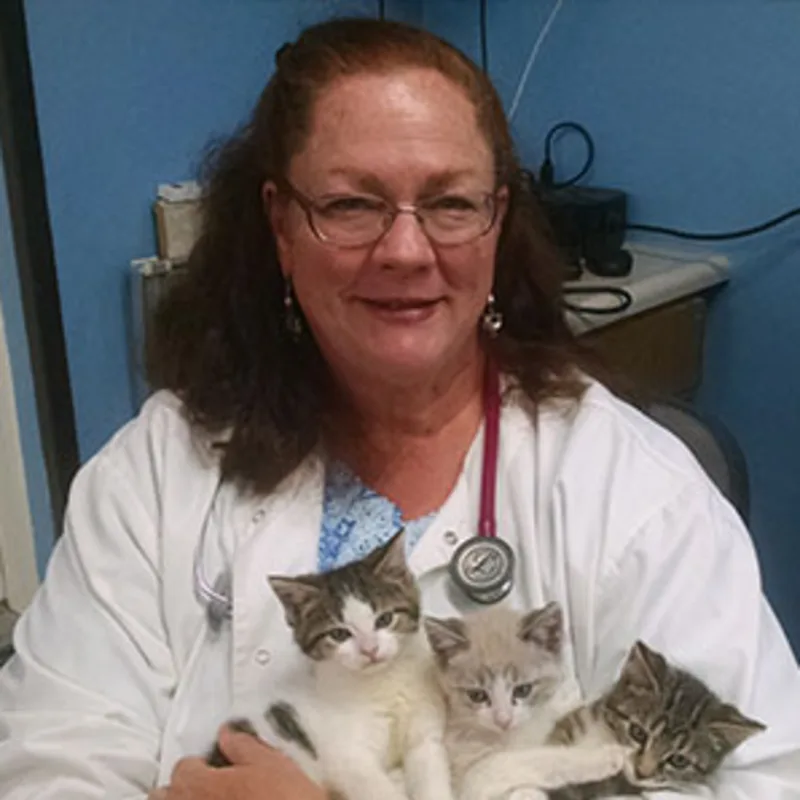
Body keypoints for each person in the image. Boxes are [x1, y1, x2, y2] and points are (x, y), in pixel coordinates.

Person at [0, 16, 798, 800]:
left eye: (450, 203)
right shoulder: (157, 471)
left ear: (497, 223)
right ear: (282, 225)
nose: (406, 251)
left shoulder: (634, 492)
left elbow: (757, 776)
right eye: (352, 205)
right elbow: (51, 756)